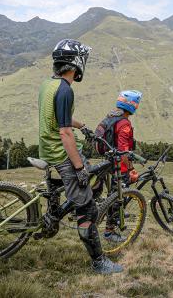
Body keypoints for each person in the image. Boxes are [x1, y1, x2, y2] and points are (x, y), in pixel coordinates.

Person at [38, 38, 123, 274]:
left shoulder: (49, 84)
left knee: (83, 187)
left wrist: (81, 124)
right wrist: (78, 168)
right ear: (75, 63)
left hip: (46, 148)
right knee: (87, 209)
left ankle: (55, 214)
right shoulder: (65, 90)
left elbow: (59, 118)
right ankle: (99, 262)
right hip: (60, 152)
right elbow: (64, 132)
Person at [102, 90, 142, 242]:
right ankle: (109, 231)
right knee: (117, 196)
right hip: (120, 166)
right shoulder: (124, 123)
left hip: (109, 162)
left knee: (115, 193)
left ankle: (118, 213)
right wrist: (131, 168)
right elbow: (124, 150)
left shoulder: (112, 116)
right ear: (132, 105)